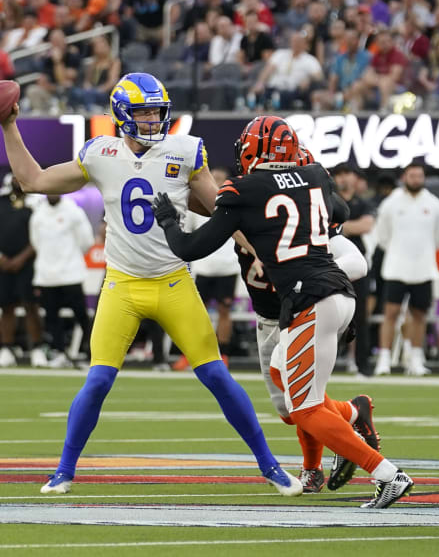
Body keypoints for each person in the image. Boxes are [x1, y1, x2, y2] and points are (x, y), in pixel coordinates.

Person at [0, 72, 301, 497]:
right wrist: (9, 126)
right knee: (99, 380)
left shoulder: (184, 150)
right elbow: (33, 181)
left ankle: (271, 466)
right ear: (121, 114)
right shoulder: (99, 152)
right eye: (141, 112)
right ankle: (63, 470)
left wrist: (257, 248)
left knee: (216, 375)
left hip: (172, 282)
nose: (151, 120)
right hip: (121, 285)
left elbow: (221, 208)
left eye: (156, 112)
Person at [151, 116, 414, 509]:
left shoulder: (242, 189)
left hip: (311, 301)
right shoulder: (315, 176)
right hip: (332, 296)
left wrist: (170, 222)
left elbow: (191, 249)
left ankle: (388, 475)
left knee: (303, 408)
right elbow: (338, 209)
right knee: (281, 374)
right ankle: (350, 415)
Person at [238, 143, 380, 493]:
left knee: (302, 400)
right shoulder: (250, 203)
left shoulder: (315, 225)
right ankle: (350, 413)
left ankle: (314, 467)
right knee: (289, 409)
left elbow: (357, 262)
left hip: (304, 311)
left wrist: (314, 283)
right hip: (270, 316)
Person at [373, 162, 439, 377]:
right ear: (405, 177)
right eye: (412, 175)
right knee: (391, 313)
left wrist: (421, 253)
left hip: (424, 268)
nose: (416, 179)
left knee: (419, 314)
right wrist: (399, 252)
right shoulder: (390, 203)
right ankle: (384, 360)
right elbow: (383, 236)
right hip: (396, 267)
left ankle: (415, 360)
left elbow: (438, 236)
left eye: (419, 176)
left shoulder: (435, 205)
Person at [184, 166, 241, 365]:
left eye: (220, 178)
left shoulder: (235, 203)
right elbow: (186, 232)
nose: (215, 181)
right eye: (213, 177)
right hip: (203, 266)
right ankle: (193, 354)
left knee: (225, 311)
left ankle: (223, 353)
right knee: (198, 313)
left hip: (227, 266)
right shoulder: (197, 204)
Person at [29, 194, 94, 367]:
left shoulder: (74, 212)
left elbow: (86, 241)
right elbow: (35, 242)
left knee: (81, 316)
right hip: (47, 277)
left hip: (71, 274)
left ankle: (93, 353)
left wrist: (70, 257)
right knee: (51, 318)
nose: (52, 194)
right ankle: (59, 353)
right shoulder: (38, 213)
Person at [332, 163, 376, 376]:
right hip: (330, 263)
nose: (343, 179)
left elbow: (366, 226)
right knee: (329, 314)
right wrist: (350, 226)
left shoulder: (362, 203)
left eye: (346, 173)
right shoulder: (327, 199)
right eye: (339, 174)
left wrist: (338, 227)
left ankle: (362, 365)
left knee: (360, 317)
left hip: (356, 266)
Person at [0, 175, 46, 368]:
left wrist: (21, 258)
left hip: (28, 263)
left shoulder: (36, 204)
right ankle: (7, 348)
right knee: (6, 307)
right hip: (3, 263)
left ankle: (36, 348)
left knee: (30, 306)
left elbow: (41, 235)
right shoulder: (2, 202)